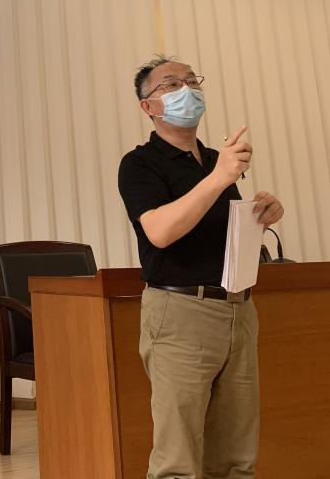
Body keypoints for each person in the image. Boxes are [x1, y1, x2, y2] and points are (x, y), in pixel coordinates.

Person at [117, 56, 285, 479]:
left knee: (235, 457)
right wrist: (219, 177)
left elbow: (217, 231)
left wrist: (263, 213)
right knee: (178, 459)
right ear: (148, 106)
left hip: (238, 309)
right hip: (180, 313)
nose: (187, 90)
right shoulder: (140, 164)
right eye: (171, 84)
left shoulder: (215, 160)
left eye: (192, 81)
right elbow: (160, 231)